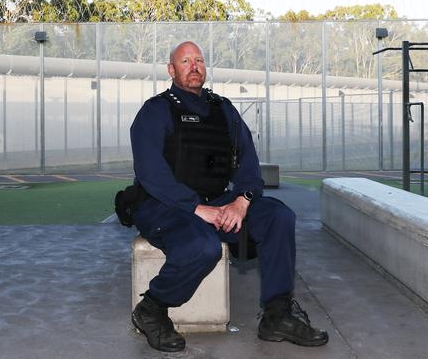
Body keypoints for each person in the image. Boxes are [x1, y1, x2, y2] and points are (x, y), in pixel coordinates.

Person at [129, 41, 328, 352]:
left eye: (198, 60)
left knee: (278, 216)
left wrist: (242, 201)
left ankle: (277, 314)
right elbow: (150, 173)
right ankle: (151, 308)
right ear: (171, 70)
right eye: (185, 61)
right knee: (203, 246)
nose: (193, 66)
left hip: (215, 201)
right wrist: (196, 208)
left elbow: (248, 162)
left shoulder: (223, 110)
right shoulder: (155, 111)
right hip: (163, 205)